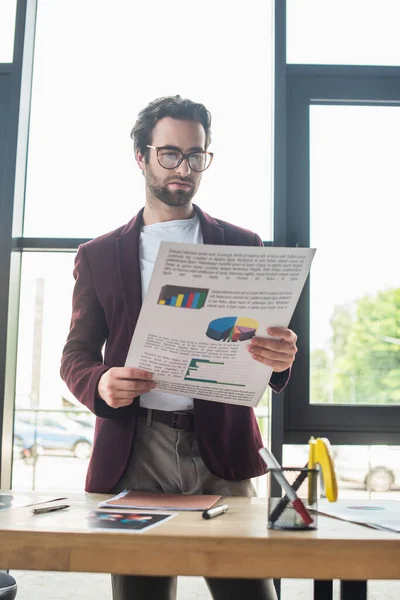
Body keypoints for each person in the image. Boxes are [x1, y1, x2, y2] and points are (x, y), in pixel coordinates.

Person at [61, 95, 298, 600]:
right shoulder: (100, 256)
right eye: (170, 154)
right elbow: (75, 354)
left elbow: (264, 343)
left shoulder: (242, 243)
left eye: (196, 156)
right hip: (135, 448)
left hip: (221, 446)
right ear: (141, 156)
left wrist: (279, 360)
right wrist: (100, 381)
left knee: (250, 593)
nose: (183, 168)